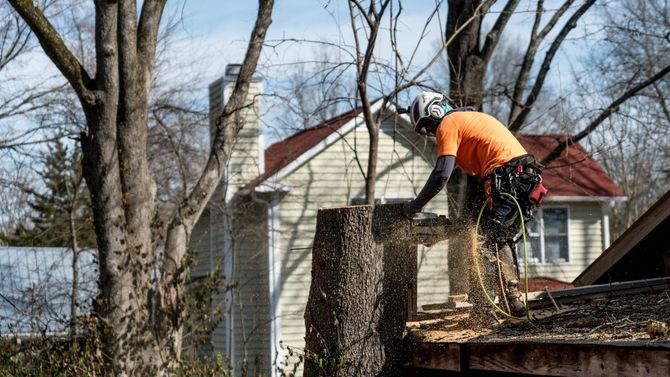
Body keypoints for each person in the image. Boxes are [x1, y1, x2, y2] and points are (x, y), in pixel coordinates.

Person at [404, 91, 547, 318]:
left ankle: (484, 309)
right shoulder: (470, 126)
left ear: (435, 112)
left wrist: (414, 206)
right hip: (521, 178)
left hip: (507, 176)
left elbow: (441, 174)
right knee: (496, 236)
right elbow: (474, 188)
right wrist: (457, 226)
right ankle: (513, 303)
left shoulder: (449, 123)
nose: (433, 132)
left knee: (480, 240)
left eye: (430, 126)